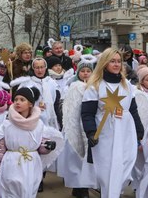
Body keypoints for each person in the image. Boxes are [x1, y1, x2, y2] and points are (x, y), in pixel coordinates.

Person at [81, 48, 144, 197]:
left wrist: (139, 130)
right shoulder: (95, 85)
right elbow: (87, 113)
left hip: (125, 131)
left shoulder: (127, 85)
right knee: (107, 172)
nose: (116, 64)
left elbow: (133, 109)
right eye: (112, 61)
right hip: (105, 133)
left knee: (124, 168)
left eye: (118, 61)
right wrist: (91, 132)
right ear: (104, 63)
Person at [0, 87, 62, 197]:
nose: (18, 102)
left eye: (22, 100)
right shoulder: (7, 125)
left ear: (30, 104)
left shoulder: (39, 125)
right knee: (10, 192)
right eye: (16, 100)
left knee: (28, 192)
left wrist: (47, 146)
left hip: (31, 164)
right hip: (11, 164)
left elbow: (40, 146)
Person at [60, 59, 97, 198]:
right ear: (78, 72)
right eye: (83, 71)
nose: (86, 74)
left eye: (88, 71)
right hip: (76, 124)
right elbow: (70, 107)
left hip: (88, 124)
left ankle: (84, 185)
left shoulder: (95, 86)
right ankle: (79, 186)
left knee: (87, 157)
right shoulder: (74, 86)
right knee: (76, 157)